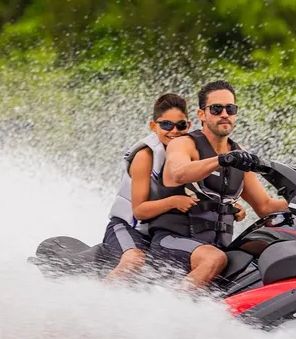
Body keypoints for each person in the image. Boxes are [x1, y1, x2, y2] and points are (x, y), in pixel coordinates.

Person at [147, 80, 288, 289]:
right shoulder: (184, 143)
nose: (225, 114)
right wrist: (221, 159)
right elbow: (178, 173)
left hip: (216, 247)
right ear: (202, 114)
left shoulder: (238, 154)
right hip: (172, 241)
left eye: (230, 109)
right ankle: (171, 312)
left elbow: (265, 206)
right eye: (216, 108)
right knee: (214, 259)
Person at [102, 93, 246, 282]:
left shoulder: (185, 153)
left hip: (157, 233)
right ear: (153, 126)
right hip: (128, 227)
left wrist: (232, 206)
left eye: (181, 125)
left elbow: (207, 192)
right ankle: (97, 301)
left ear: (189, 125)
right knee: (134, 260)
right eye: (166, 125)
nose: (174, 131)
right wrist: (173, 202)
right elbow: (139, 212)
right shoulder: (145, 156)